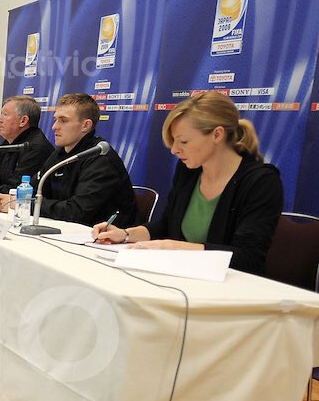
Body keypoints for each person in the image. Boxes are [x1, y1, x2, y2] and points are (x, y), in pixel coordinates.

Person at [92, 92, 282, 275]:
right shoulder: (189, 171)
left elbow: (248, 258)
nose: (174, 150)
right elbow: (166, 225)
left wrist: (174, 247)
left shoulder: (261, 181)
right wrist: (125, 234)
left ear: (217, 135)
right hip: (185, 277)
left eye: (183, 142)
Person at [0, 93, 136, 227]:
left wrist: (22, 204)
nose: (54, 127)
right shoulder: (60, 154)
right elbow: (33, 189)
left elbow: (77, 211)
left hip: (104, 238)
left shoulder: (101, 158)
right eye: (55, 120)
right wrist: (8, 199)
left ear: (86, 125)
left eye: (63, 120)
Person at [0, 95, 54, 195]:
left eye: (5, 114)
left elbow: (15, 190)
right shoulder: (9, 142)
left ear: (23, 121)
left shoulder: (35, 148)